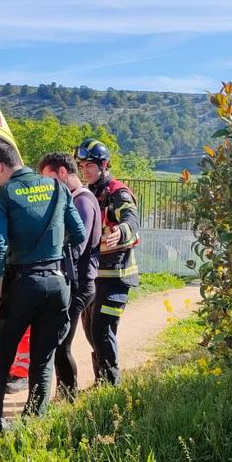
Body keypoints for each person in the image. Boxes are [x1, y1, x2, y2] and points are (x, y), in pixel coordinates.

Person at [0, 141, 85, 435]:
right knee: (43, 360)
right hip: (57, 284)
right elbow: (78, 233)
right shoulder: (58, 188)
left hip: (21, 285)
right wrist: (48, 250)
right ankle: (32, 427)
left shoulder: (2, 196)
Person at [75, 139, 140, 386]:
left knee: (102, 329)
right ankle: (102, 380)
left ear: (104, 165)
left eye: (89, 165)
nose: (85, 170)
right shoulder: (86, 193)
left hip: (117, 277)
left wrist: (120, 231)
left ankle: (111, 384)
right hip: (94, 277)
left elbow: (132, 220)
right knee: (91, 330)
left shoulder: (118, 193)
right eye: (82, 166)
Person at [39, 152, 101, 400]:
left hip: (81, 284)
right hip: (75, 282)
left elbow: (78, 245)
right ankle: (66, 394)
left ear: (62, 173)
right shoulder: (73, 198)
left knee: (61, 342)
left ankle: (68, 396)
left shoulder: (82, 200)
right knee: (60, 341)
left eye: (49, 178)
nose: (47, 185)